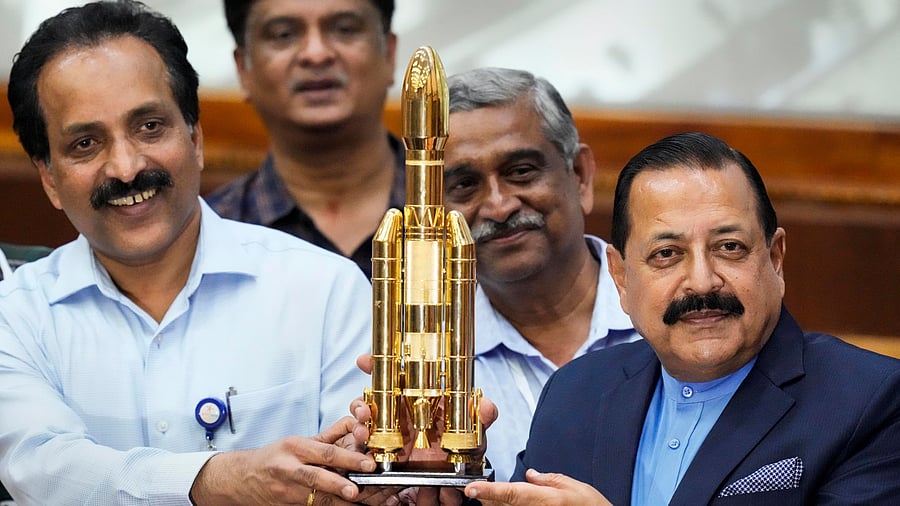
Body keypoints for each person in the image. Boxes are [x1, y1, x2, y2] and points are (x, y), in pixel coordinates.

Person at [0, 2, 384, 504]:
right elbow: (44, 468)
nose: (126, 167)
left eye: (149, 127)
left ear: (196, 139)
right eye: (86, 143)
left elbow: (353, 475)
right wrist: (219, 480)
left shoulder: (325, 290)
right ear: (49, 178)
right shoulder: (14, 312)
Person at [463, 132, 900, 505]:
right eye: (666, 254)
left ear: (776, 260)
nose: (702, 282)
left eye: (729, 247)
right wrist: (438, 489)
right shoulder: (576, 393)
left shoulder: (871, 401)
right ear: (622, 278)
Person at [441, 68, 640, 481]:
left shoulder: (675, 312)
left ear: (581, 175)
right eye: (464, 185)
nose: (498, 207)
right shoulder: (428, 359)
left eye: (521, 171)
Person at [205, 0, 403, 278]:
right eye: (284, 35)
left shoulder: (462, 206)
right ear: (243, 69)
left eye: (345, 29)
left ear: (389, 54)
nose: (317, 54)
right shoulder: (209, 238)